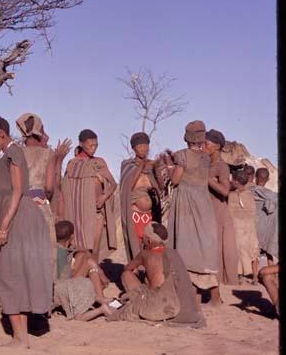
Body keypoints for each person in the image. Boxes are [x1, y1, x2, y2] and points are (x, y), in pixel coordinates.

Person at [0, 116, 53, 348]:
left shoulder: (13, 153)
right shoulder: (7, 155)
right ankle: (20, 337)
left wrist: (3, 228)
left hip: (18, 220)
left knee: (8, 275)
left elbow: (18, 191)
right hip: (18, 218)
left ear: (2, 134)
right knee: (15, 276)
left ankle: (20, 338)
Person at [107, 223, 205, 328]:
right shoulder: (174, 254)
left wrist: (140, 262)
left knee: (126, 275)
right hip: (174, 300)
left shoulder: (144, 254)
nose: (142, 241)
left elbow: (127, 268)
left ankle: (137, 301)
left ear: (148, 241)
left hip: (156, 305)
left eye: (143, 239)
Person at [167, 121, 219, 298]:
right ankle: (213, 295)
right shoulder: (206, 157)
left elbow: (175, 180)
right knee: (202, 245)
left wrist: (169, 171)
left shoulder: (182, 156)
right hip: (203, 203)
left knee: (186, 244)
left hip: (186, 204)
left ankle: (190, 291)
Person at [15, 112, 72, 276]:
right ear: (39, 130)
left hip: (19, 206)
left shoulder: (16, 153)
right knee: (43, 249)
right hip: (40, 206)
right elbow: (49, 187)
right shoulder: (48, 154)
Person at [61, 129, 117, 265]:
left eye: (96, 145)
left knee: (94, 247)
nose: (93, 148)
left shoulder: (99, 162)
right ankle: (83, 276)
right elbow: (67, 189)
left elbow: (113, 184)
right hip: (78, 214)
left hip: (97, 212)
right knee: (80, 248)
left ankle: (94, 276)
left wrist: (104, 197)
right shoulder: (72, 164)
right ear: (81, 144)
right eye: (90, 145)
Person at [204, 129, 239, 304]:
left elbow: (225, 191)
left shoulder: (221, 166)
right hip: (206, 213)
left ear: (216, 146)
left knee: (214, 254)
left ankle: (215, 297)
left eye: (207, 143)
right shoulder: (206, 163)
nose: (204, 146)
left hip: (217, 213)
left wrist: (208, 179)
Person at [53, 220, 112, 320]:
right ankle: (100, 297)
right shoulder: (61, 254)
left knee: (86, 258)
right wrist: (100, 272)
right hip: (63, 287)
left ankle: (100, 297)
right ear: (71, 236)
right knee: (89, 262)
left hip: (62, 284)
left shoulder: (58, 248)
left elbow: (81, 251)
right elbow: (63, 277)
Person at [120, 132, 165, 261]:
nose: (143, 149)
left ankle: (150, 272)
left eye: (146, 146)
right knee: (137, 244)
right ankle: (136, 271)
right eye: (140, 147)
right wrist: (142, 166)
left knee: (151, 243)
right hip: (134, 214)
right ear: (133, 148)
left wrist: (157, 169)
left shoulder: (152, 165)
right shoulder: (127, 165)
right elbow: (129, 185)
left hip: (151, 214)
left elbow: (161, 188)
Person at [228, 169, 259, 284]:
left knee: (238, 251)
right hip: (249, 228)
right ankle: (255, 277)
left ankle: (239, 276)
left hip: (237, 228)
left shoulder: (231, 195)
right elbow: (253, 212)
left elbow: (229, 212)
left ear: (236, 181)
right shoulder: (250, 195)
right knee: (253, 251)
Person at [249, 168, 278, 265]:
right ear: (268, 179)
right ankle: (271, 272)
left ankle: (254, 276)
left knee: (254, 253)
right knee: (268, 252)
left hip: (253, 228)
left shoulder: (249, 190)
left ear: (255, 178)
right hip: (266, 231)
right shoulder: (271, 195)